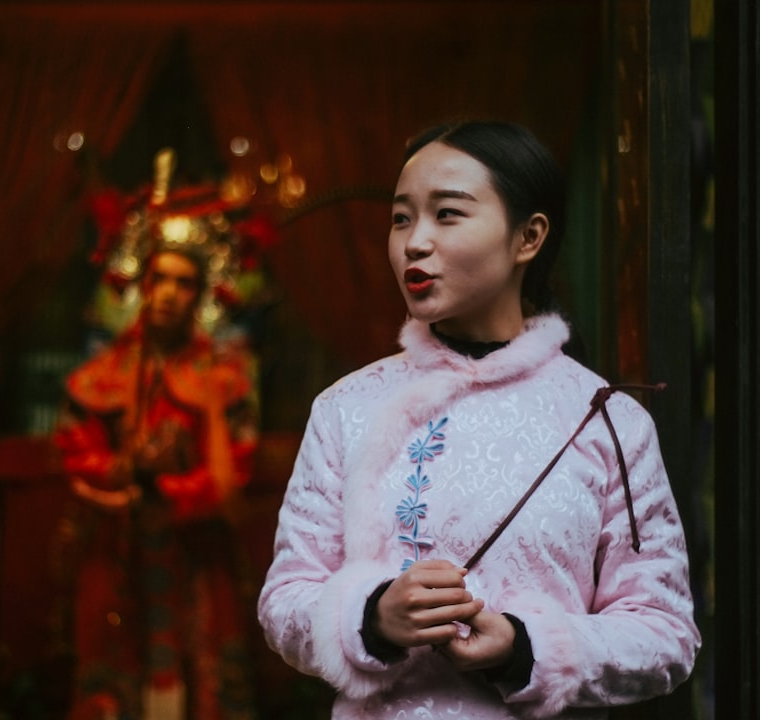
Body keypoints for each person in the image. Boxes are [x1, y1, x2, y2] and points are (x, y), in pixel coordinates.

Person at [257, 120, 700, 719]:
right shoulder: (346, 406)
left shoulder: (610, 422)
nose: (414, 242)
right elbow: (285, 601)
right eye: (401, 217)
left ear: (528, 237)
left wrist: (525, 649)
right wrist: (373, 618)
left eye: (447, 214)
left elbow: (665, 633)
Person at [55, 241, 260, 720]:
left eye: (183, 283)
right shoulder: (102, 376)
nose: (168, 294)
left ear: (200, 294)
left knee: (206, 675)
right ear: (143, 288)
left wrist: (169, 490)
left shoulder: (222, 380)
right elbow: (76, 449)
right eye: (159, 280)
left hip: (197, 549)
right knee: (112, 674)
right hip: (118, 545)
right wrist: (121, 472)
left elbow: (237, 464)